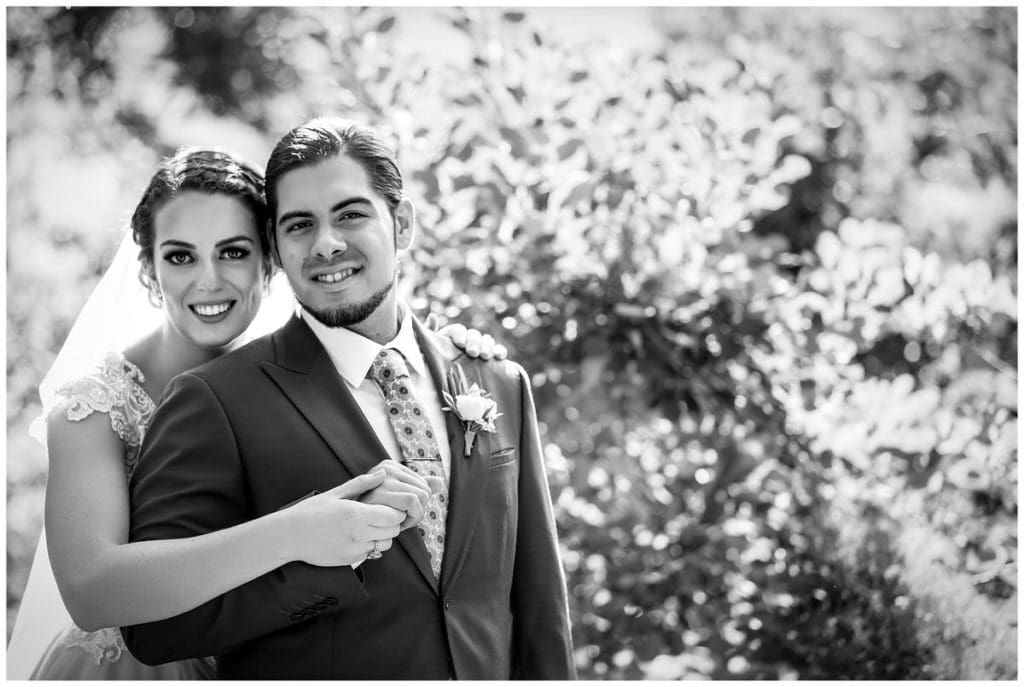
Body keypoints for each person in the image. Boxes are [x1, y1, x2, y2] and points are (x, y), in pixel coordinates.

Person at [8, 147, 504, 680]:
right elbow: (92, 592)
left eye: (233, 252)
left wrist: (436, 357)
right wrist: (294, 532)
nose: (208, 280)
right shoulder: (95, 404)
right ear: (147, 267)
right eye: (180, 256)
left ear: (269, 258)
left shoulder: (301, 377)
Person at [122, 118, 577, 679]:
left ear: (402, 223)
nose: (326, 244)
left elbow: (539, 607)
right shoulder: (214, 400)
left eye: (350, 215)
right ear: (276, 247)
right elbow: (155, 629)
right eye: (299, 225)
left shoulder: (497, 382)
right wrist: (319, 559)